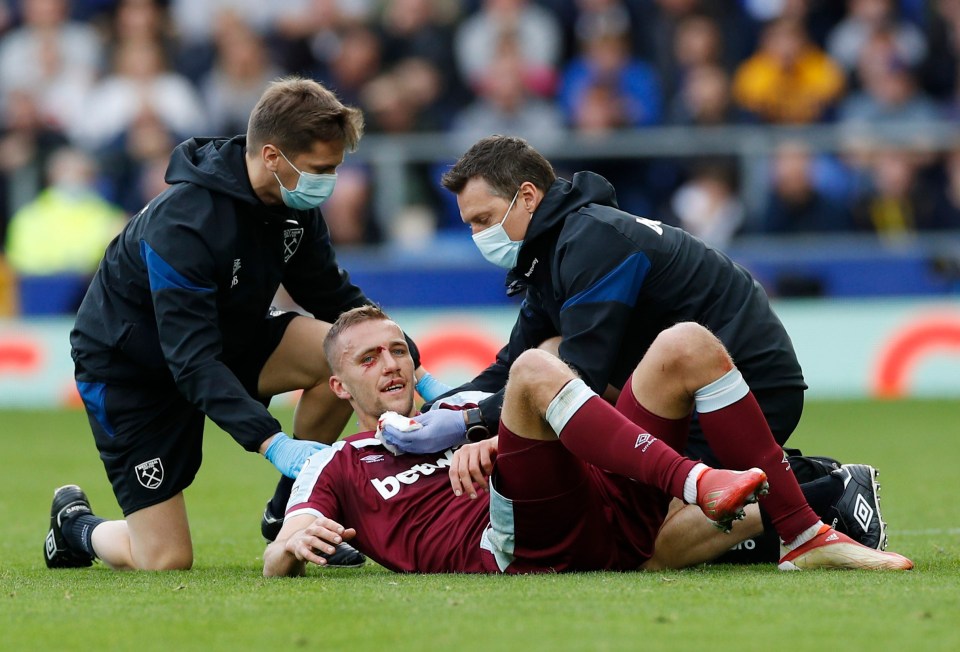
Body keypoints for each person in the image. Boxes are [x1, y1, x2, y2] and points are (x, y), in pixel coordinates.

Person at [380, 134, 888, 564]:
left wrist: (470, 424)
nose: (476, 235)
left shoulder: (591, 243)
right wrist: (443, 410)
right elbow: (511, 367)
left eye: (482, 220)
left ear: (528, 197)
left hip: (745, 387)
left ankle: (829, 490)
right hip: (691, 384)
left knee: (656, 544)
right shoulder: (554, 251)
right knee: (562, 380)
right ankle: (788, 487)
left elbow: (578, 374)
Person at [43, 77, 424, 572]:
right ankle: (74, 528)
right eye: (320, 170)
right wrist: (274, 443)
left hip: (227, 339)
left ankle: (294, 510)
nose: (330, 181)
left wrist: (410, 358)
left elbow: (333, 298)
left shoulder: (295, 204)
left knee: (348, 354)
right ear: (272, 156)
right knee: (165, 560)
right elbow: (192, 362)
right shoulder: (183, 226)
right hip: (131, 373)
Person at [263, 306, 912, 576]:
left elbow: (582, 422)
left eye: (397, 350)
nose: (390, 364)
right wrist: (288, 547)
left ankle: (804, 529)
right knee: (534, 369)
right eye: (369, 359)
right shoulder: (337, 463)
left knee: (684, 343)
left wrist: (494, 440)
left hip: (595, 509)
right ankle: (736, 484)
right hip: (514, 545)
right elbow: (280, 555)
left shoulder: (461, 407)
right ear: (340, 388)